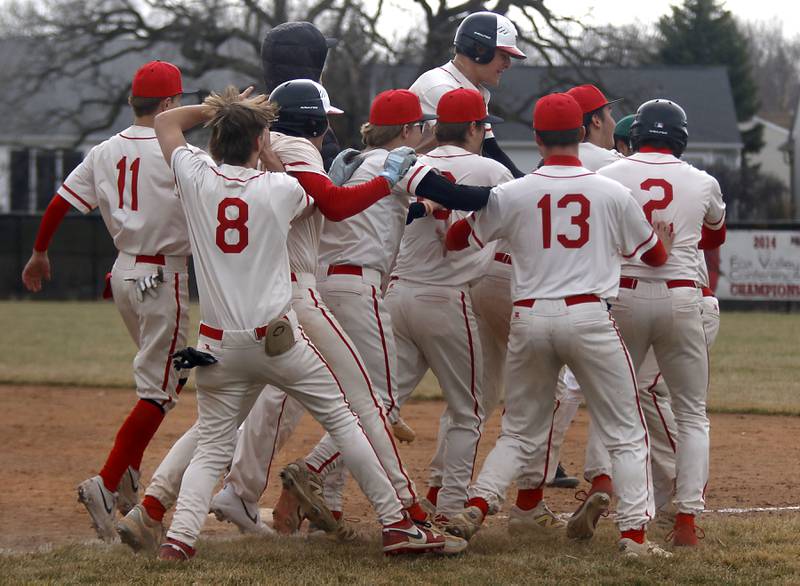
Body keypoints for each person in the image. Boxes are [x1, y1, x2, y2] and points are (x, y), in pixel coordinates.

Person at [151, 86, 445, 560]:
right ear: (258, 140)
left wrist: (222, 110)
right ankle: (396, 523)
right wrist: (267, 148)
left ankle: (178, 540)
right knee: (346, 418)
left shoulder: (195, 173)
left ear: (217, 137)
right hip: (276, 340)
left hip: (216, 344)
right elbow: (322, 203)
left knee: (211, 446)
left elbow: (166, 124)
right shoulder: (280, 187)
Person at [442, 92, 673, 558]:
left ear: (537, 140)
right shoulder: (610, 190)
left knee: (519, 431)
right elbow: (654, 255)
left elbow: (456, 240)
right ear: (582, 133)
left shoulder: (513, 191)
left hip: (528, 316)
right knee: (627, 431)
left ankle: (477, 504)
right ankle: (633, 536)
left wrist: (456, 211)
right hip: (589, 313)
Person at [21, 60, 193, 541]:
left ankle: (128, 475)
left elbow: (59, 202)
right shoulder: (175, 150)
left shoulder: (104, 150)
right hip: (163, 275)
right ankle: (108, 480)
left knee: (168, 375)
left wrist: (38, 253)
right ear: (169, 104)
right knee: (160, 389)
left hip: (124, 273)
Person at [597, 98, 726, 547]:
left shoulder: (608, 175)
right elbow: (715, 231)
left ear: (636, 136)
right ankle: (686, 521)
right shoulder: (702, 181)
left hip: (625, 295)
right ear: (680, 137)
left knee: (621, 408)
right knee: (691, 415)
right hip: (682, 297)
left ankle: (626, 508)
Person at [384, 88, 514, 523]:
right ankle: (451, 507)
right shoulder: (492, 169)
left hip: (397, 293)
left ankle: (319, 478)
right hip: (445, 297)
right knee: (469, 410)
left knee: (378, 405)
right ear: (477, 127)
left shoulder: (415, 163)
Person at [409, 11, 526, 177]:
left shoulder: (471, 89)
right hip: (407, 193)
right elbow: (461, 149)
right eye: (503, 55)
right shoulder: (440, 86)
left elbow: (490, 148)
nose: (508, 64)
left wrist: (525, 181)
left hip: (432, 184)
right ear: (480, 49)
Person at [566, 84, 623, 171]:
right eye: (609, 114)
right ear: (596, 120)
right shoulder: (614, 163)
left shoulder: (546, 164)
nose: (613, 123)